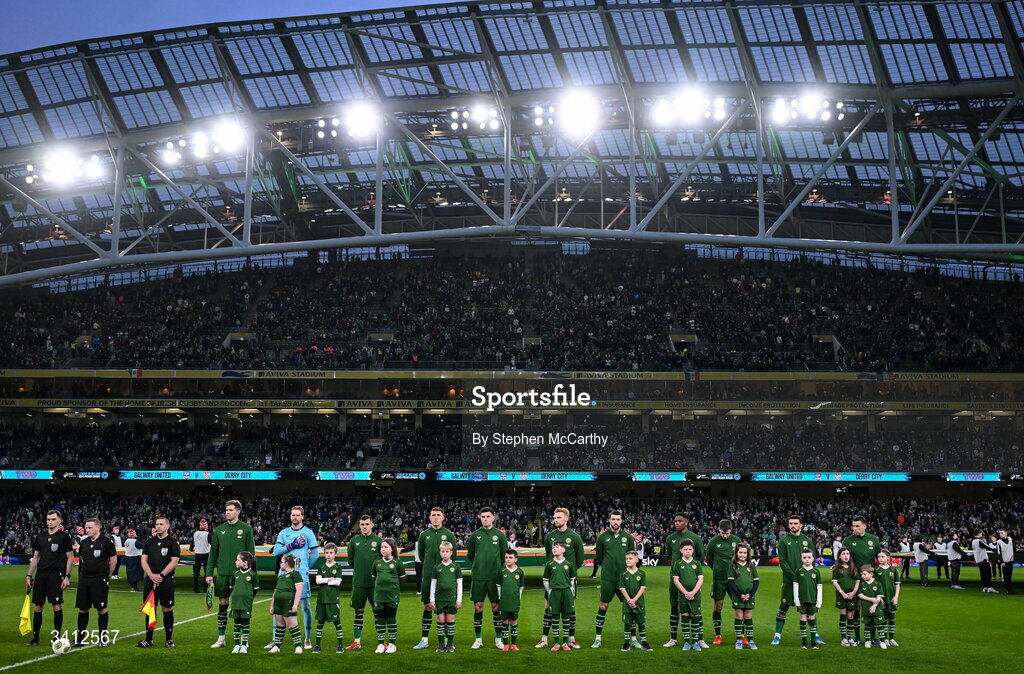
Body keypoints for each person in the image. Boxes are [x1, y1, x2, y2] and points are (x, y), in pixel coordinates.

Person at [207, 500, 256, 648]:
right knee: (223, 603)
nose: (227, 512)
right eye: (226, 510)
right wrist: (209, 573)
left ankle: (243, 640)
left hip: (240, 575)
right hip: (223, 573)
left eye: (230, 510)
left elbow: (251, 553)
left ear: (238, 511)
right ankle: (221, 638)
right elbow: (213, 553)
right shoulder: (219, 530)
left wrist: (251, 574)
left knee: (240, 605)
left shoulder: (246, 529)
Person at [270, 506, 319, 649]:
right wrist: (291, 545)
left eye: (298, 515)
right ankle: (275, 639)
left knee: (304, 606)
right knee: (279, 605)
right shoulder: (284, 533)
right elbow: (276, 552)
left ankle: (308, 639)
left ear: (302, 517)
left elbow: (315, 554)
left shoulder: (308, 533)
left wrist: (304, 568)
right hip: (283, 575)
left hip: (300, 575)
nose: (295, 517)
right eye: (293, 515)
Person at [536, 507, 585, 649]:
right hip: (553, 580)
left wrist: (568, 573)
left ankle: (571, 639)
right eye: (554, 517)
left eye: (558, 517)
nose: (555, 520)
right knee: (548, 607)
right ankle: (544, 639)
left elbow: (580, 560)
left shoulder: (575, 537)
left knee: (570, 609)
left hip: (568, 580)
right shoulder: (550, 536)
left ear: (566, 519)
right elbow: (548, 555)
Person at [25, 509, 74, 647]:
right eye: (48, 519)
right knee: (38, 606)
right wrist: (29, 575)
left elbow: (70, 558)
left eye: (53, 519)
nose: (50, 522)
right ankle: (35, 638)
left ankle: (56, 637)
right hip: (41, 575)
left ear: (59, 521)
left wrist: (67, 577)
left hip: (56, 575)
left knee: (56, 606)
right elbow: (35, 558)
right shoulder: (40, 536)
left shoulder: (64, 537)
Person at [772, 513, 820, 646]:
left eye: (795, 523)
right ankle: (777, 635)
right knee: (784, 606)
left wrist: (807, 576)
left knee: (810, 608)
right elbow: (782, 561)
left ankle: (815, 635)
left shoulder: (807, 541)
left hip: (806, 582)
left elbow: (813, 559)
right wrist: (795, 577)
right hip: (789, 581)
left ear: (801, 525)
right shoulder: (783, 541)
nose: (793, 526)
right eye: (791, 524)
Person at [412, 507, 455, 650]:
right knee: (428, 607)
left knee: (447, 609)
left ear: (443, 517)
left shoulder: (449, 534)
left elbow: (453, 557)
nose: (435, 517)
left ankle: (448, 642)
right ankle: (424, 640)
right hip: (428, 577)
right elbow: (423, 556)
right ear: (429, 518)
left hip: (445, 579)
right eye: (433, 515)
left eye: (438, 515)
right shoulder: (424, 535)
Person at [592, 509, 635, 648]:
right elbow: (599, 557)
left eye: (618, 519)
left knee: (629, 606)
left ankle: (633, 639)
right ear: (609, 520)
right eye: (613, 519)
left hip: (624, 578)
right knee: (603, 605)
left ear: (621, 521)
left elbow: (632, 558)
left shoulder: (628, 538)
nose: (615, 522)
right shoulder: (602, 537)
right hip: (608, 578)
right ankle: (598, 638)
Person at [135, 516, 180, 648]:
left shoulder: (173, 542)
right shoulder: (149, 542)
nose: (158, 526)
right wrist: (151, 575)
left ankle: (169, 639)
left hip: (166, 580)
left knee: (167, 608)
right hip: (150, 580)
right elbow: (143, 560)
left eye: (161, 524)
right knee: (150, 609)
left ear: (167, 526)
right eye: (157, 524)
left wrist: (161, 575)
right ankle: (148, 639)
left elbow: (174, 561)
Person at [466, 506, 507, 650]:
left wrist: (495, 567)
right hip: (478, 577)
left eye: (488, 516)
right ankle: (478, 639)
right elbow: (470, 555)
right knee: (478, 608)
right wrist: (479, 565)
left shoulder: (500, 535)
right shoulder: (475, 535)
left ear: (493, 518)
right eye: (483, 517)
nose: (485, 519)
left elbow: (504, 555)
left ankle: (498, 639)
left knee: (496, 607)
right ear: (480, 519)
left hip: (495, 577)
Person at [72, 518, 116, 648]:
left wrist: (107, 575)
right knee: (83, 608)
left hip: (100, 579)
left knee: (101, 608)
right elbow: (82, 559)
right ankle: (80, 639)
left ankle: (103, 639)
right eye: (86, 528)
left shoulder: (106, 542)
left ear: (98, 527)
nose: (87, 530)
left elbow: (113, 560)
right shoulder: (84, 543)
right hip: (85, 579)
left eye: (90, 528)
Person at [664, 513, 703, 647]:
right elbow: (670, 554)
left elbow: (700, 556)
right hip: (675, 579)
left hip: (692, 579)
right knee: (674, 607)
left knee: (696, 609)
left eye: (680, 521)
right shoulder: (670, 538)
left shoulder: (695, 538)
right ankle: (673, 639)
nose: (676, 523)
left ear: (686, 522)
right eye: (675, 521)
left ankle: (699, 639)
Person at [344, 514, 381, 650]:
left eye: (367, 524)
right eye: (362, 524)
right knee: (358, 612)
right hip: (359, 583)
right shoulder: (354, 541)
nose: (364, 527)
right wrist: (361, 570)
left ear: (372, 525)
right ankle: (357, 642)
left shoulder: (378, 541)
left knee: (378, 612)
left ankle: (381, 642)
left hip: (375, 584)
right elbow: (351, 560)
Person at [840, 515, 879, 645]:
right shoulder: (848, 540)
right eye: (853, 526)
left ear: (864, 526)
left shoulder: (873, 540)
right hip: (854, 579)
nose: (855, 528)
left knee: (871, 607)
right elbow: (842, 557)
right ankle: (856, 637)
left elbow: (879, 559)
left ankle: (872, 637)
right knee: (856, 608)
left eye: (857, 526)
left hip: (870, 579)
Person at [704, 519, 742, 646]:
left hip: (734, 579)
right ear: (718, 530)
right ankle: (718, 635)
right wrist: (717, 570)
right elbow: (709, 559)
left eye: (727, 533)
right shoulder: (713, 542)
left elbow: (741, 557)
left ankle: (741, 635)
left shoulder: (736, 541)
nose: (725, 536)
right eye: (722, 533)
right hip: (719, 579)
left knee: (738, 605)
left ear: (731, 530)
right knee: (718, 605)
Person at [543, 540, 576, 652]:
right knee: (555, 617)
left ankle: (565, 643)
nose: (554, 549)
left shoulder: (569, 564)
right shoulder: (549, 564)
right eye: (553, 547)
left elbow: (572, 579)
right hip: (554, 593)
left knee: (566, 617)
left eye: (557, 547)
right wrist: (550, 591)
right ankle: (557, 643)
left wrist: (570, 591)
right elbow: (545, 580)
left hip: (566, 592)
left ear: (563, 549)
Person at [671, 540, 704, 652]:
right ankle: (687, 642)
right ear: (681, 550)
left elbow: (700, 579)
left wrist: (693, 592)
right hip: (683, 595)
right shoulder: (678, 564)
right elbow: (676, 580)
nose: (688, 551)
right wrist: (686, 593)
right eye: (686, 549)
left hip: (695, 595)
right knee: (684, 616)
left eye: (690, 549)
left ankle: (695, 642)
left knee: (695, 615)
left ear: (693, 551)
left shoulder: (697, 564)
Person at [430, 540, 462, 652]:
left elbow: (459, 584)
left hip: (451, 599)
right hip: (439, 599)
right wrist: (432, 599)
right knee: (440, 620)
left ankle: (449, 644)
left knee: (450, 620)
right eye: (443, 551)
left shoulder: (456, 567)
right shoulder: (436, 567)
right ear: (440, 553)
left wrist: (459, 599)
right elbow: (433, 583)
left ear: (451, 552)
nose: (444, 553)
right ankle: (440, 645)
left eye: (447, 551)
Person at [371, 538, 403, 654]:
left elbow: (402, 580)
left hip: (392, 596)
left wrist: (393, 589)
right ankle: (380, 644)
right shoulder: (377, 563)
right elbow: (374, 578)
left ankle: (392, 644)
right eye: (381, 547)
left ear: (392, 549)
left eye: (385, 547)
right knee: (380, 619)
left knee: (391, 619)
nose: (383, 549)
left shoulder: (397, 563)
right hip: (379, 595)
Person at [269, 554, 304, 654]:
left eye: (281, 562)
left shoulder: (295, 574)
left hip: (288, 603)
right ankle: (277, 646)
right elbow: (276, 591)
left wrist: (295, 604)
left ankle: (298, 646)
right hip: (278, 604)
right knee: (279, 625)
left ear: (287, 563)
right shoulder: (281, 576)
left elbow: (299, 590)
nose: (280, 563)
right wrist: (272, 605)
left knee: (292, 625)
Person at [313, 542, 344, 653]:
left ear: (335, 554)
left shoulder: (338, 567)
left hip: (332, 599)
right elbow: (317, 580)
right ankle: (317, 645)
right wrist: (328, 579)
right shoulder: (321, 567)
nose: (329, 555)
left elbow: (338, 582)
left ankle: (340, 645)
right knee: (320, 622)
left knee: (337, 622)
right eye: (327, 553)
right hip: (322, 599)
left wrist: (325, 581)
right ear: (324, 554)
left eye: (331, 553)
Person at [726, 542, 759, 650]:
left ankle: (750, 641)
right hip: (738, 596)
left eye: (745, 553)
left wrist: (750, 594)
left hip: (749, 596)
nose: (742, 555)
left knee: (748, 617)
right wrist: (740, 595)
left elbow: (756, 582)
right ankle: (739, 640)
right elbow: (731, 582)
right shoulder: (733, 566)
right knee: (739, 617)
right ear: (736, 553)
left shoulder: (751, 566)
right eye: (740, 552)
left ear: (748, 554)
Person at [619, 550, 652, 651]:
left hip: (639, 602)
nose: (628, 560)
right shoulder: (623, 574)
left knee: (641, 622)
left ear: (636, 560)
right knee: (627, 622)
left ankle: (644, 642)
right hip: (627, 603)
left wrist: (634, 600)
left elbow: (643, 588)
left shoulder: (641, 573)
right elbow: (622, 588)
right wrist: (629, 600)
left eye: (630, 559)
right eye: (626, 559)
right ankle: (626, 643)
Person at [228, 550, 259, 654]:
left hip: (246, 603)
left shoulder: (253, 574)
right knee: (236, 623)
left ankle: (244, 645)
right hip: (236, 602)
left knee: (245, 623)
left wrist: (248, 598)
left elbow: (255, 589)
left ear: (245, 562)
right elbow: (231, 587)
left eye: (238, 560)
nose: (235, 562)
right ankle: (236, 645)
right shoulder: (235, 573)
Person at [792, 548, 822, 649]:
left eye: (809, 557)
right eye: (804, 558)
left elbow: (819, 587)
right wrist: (796, 601)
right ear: (801, 559)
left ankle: (813, 642)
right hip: (802, 600)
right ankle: (804, 642)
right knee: (803, 618)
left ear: (813, 558)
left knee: (812, 618)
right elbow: (795, 586)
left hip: (812, 600)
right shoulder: (798, 571)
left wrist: (819, 601)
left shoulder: (816, 572)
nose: (807, 559)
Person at [497, 549, 525, 651]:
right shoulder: (502, 571)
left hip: (514, 602)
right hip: (504, 602)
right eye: (506, 558)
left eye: (510, 558)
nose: (508, 560)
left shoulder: (520, 572)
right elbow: (499, 586)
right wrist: (500, 599)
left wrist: (518, 600)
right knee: (505, 622)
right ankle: (505, 644)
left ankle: (513, 644)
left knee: (514, 621)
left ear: (515, 559)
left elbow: (521, 588)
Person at [831, 547, 859, 646]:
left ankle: (850, 638)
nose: (846, 556)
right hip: (841, 596)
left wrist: (853, 593)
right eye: (843, 554)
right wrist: (842, 593)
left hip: (852, 596)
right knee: (843, 616)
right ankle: (844, 639)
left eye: (847, 554)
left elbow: (857, 581)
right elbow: (835, 582)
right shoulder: (837, 568)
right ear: (839, 556)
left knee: (850, 616)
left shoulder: (853, 567)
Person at [857, 565, 887, 649]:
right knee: (867, 625)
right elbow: (860, 595)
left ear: (871, 574)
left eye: (864, 574)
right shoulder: (862, 585)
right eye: (861, 574)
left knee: (879, 625)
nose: (862, 576)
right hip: (866, 608)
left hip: (877, 609)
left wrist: (874, 606)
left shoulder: (877, 584)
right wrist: (871, 599)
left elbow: (879, 596)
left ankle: (882, 641)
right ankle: (867, 641)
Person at [874, 549, 900, 646]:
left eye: (883, 556)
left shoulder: (893, 570)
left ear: (888, 558)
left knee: (892, 618)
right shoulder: (876, 570)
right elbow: (874, 585)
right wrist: (879, 597)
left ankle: (892, 638)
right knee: (883, 619)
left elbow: (897, 584)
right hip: (882, 598)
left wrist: (896, 596)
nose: (880, 559)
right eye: (879, 557)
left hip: (892, 597)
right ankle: (884, 638)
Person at [191, 520, 211, 593]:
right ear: (206, 526)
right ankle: (204, 588)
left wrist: (192, 549)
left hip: (197, 554)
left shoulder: (195, 533)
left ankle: (196, 589)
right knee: (206, 572)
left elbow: (192, 545)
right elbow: (212, 544)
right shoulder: (208, 534)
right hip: (205, 554)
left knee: (196, 573)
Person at [996, 529, 1016, 595]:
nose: (1000, 534)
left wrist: (1015, 549)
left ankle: (1010, 590)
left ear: (1006, 533)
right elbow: (998, 553)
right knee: (1006, 577)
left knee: (1010, 576)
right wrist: (1002, 562)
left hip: (1011, 560)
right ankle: (1007, 590)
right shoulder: (998, 542)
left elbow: (1012, 546)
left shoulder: (1010, 539)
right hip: (1004, 562)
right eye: (1000, 533)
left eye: (1002, 533)